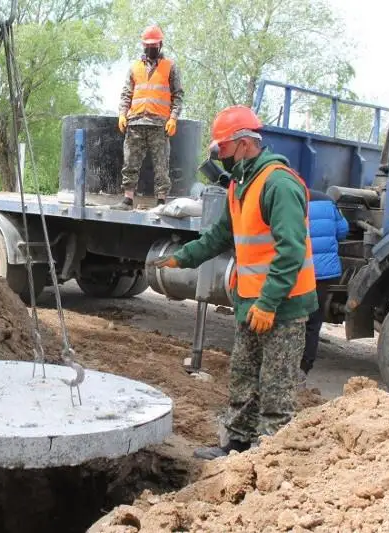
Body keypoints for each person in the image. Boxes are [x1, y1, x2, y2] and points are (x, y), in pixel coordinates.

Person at [150, 105, 318, 460]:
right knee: (243, 377)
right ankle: (237, 446)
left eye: (222, 148)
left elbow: (290, 251)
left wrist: (268, 303)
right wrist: (183, 257)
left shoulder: (278, 184)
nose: (219, 156)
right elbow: (220, 236)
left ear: (244, 144)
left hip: (282, 305)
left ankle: (268, 460)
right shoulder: (240, 185)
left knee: (276, 388)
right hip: (250, 300)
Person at [111, 24, 184, 210]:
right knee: (130, 162)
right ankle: (128, 199)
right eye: (148, 45)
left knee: (161, 165)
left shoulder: (170, 67)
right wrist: (122, 114)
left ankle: (161, 201)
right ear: (143, 45)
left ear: (160, 44)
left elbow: (178, 95)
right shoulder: (135, 67)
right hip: (135, 122)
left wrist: (173, 118)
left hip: (159, 124)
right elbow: (126, 94)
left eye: (154, 45)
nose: (151, 48)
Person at [301, 189, 349, 385]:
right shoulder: (328, 201)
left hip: (300, 270)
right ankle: (304, 366)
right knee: (313, 321)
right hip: (324, 273)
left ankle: (287, 362)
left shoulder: (291, 197)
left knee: (292, 318)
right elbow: (343, 231)